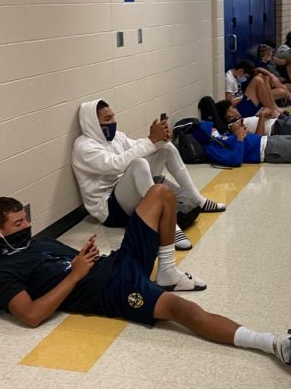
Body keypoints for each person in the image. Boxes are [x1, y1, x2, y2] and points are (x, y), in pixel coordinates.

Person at [0, 194, 291, 365]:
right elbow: (32, 316)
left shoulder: (38, 243)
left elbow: (65, 263)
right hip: (113, 289)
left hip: (116, 263)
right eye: (18, 222)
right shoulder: (1, 272)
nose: (27, 225)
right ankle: (269, 344)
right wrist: (77, 273)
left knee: (160, 194)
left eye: (26, 218)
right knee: (181, 310)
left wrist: (85, 256)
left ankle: (168, 271)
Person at [71, 99, 225, 267]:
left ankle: (198, 200)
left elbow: (138, 146)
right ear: (92, 123)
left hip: (125, 193)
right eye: (107, 119)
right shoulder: (84, 147)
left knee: (167, 148)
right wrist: (150, 141)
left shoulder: (116, 137)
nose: (114, 122)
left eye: (113, 117)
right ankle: (171, 228)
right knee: (139, 164)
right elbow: (116, 165)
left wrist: (160, 140)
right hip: (110, 209)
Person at [224, 60, 291, 116]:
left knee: (262, 76)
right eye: (246, 77)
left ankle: (274, 107)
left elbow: (258, 70)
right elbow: (229, 103)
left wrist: (271, 76)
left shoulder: (237, 74)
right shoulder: (229, 80)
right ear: (241, 71)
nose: (245, 79)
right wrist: (242, 97)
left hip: (244, 101)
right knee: (257, 80)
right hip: (239, 109)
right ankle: (273, 111)